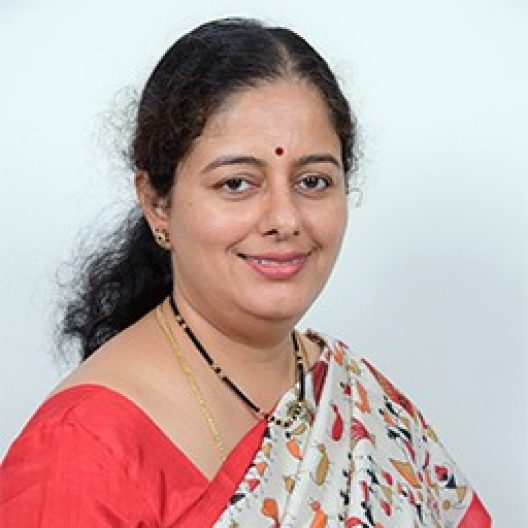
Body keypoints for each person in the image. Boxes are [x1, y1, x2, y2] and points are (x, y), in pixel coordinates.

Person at [0, 17, 491, 527]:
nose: (285, 219)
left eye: (313, 181)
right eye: (237, 183)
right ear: (157, 204)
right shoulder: (81, 451)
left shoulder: (361, 404)